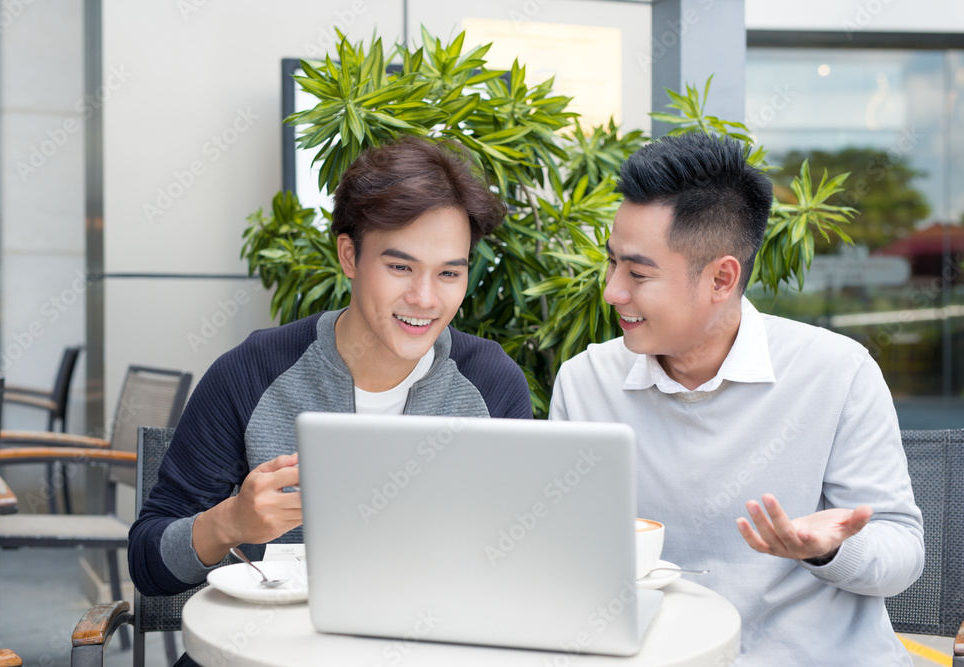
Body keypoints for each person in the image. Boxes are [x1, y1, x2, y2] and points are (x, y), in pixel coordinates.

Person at [549, 132, 923, 664]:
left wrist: (832, 549)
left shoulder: (836, 373)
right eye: (612, 264)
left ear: (722, 278)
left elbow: (903, 553)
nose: (612, 290)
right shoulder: (586, 382)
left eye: (637, 273)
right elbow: (566, 556)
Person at [130, 137, 532, 602]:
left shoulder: (492, 383)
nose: (425, 298)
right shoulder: (252, 373)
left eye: (449, 273)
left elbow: (525, 559)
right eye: (401, 266)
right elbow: (148, 565)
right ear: (349, 256)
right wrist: (229, 523)